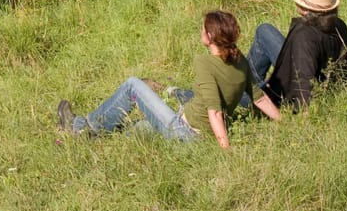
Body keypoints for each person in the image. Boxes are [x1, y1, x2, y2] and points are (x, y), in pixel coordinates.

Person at [57, 11, 282, 148]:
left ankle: (82, 126)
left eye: (203, 28)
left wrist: (225, 149)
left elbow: (214, 111)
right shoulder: (239, 59)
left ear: (210, 36)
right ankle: (91, 136)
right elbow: (259, 97)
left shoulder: (204, 63)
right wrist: (284, 122)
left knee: (132, 85)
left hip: (185, 132)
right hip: (186, 122)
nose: (201, 30)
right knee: (132, 129)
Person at [248, 0, 347, 110]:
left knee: (236, 86)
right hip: (321, 71)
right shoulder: (338, 23)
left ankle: (252, 87)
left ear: (306, 8)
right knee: (264, 30)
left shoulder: (303, 35)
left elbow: (304, 78)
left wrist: (305, 115)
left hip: (284, 96)